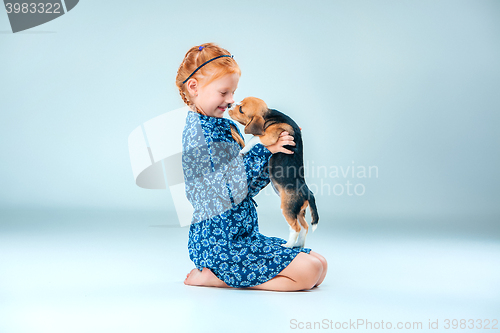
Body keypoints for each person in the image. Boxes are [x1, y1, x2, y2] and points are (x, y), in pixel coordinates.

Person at [176, 43, 327, 291]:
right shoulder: (199, 136)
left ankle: (232, 275)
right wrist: (263, 148)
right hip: (220, 244)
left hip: (242, 235)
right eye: (223, 92)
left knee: (320, 266)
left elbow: (244, 187)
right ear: (194, 87)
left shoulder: (226, 127)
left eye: (233, 92)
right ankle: (218, 277)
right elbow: (224, 191)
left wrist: (276, 153)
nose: (231, 99)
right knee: (309, 272)